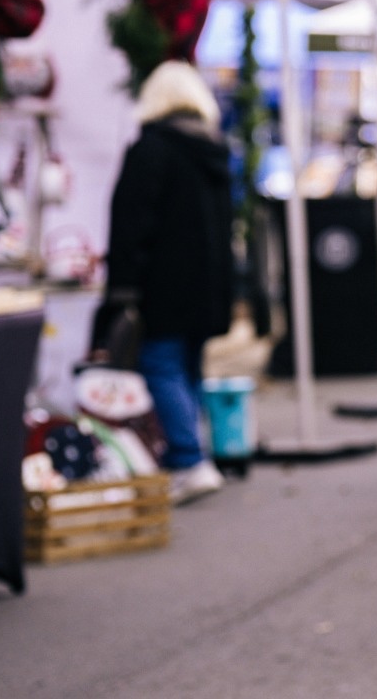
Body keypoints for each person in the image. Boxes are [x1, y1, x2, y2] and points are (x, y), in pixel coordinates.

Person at [106, 60, 234, 505]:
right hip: (207, 284)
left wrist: (123, 286)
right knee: (188, 367)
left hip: (165, 282)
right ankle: (195, 453)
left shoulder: (152, 149)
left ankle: (188, 458)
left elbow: (130, 223)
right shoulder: (213, 149)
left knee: (161, 364)